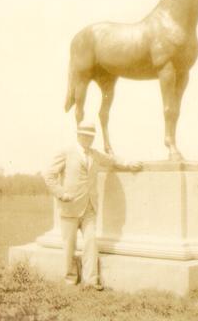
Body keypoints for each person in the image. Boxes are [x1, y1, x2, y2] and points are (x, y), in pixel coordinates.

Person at [43, 121, 142, 289]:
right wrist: (61, 194)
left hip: (89, 207)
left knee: (91, 242)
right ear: (78, 135)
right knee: (69, 246)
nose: (87, 139)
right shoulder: (66, 152)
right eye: (84, 136)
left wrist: (127, 163)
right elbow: (49, 175)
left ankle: (90, 281)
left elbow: (111, 160)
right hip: (70, 207)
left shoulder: (95, 154)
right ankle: (70, 279)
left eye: (90, 137)